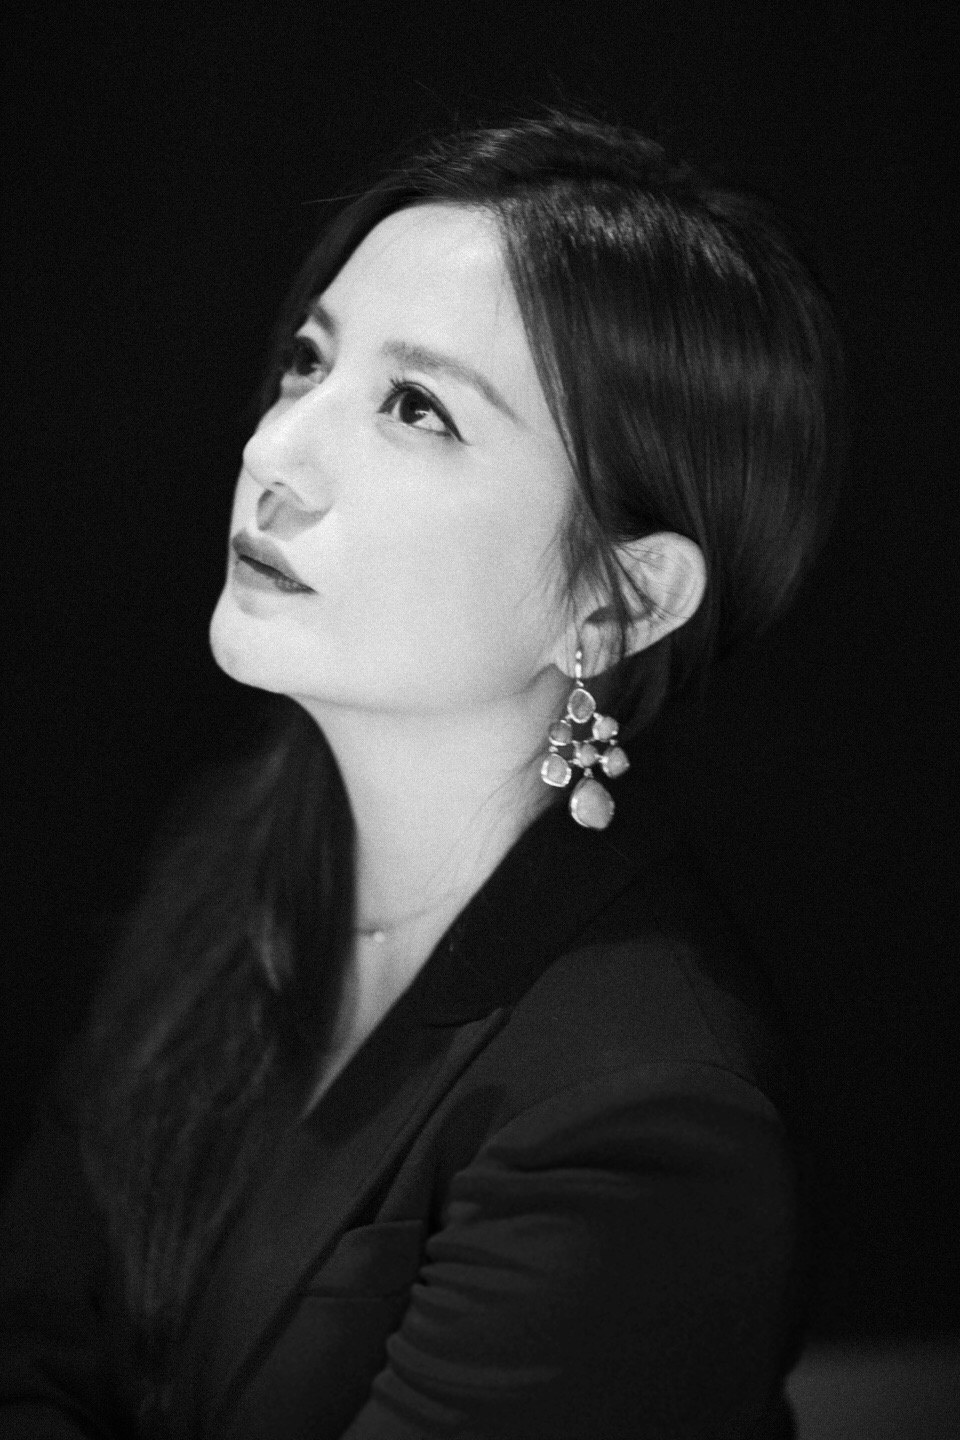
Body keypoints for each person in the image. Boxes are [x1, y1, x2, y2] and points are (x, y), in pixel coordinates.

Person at [0, 109, 844, 1438]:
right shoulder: (240, 853)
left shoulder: (643, 1113)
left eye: (416, 409)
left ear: (617, 603)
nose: (272, 454)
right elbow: (35, 1343)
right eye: (308, 361)